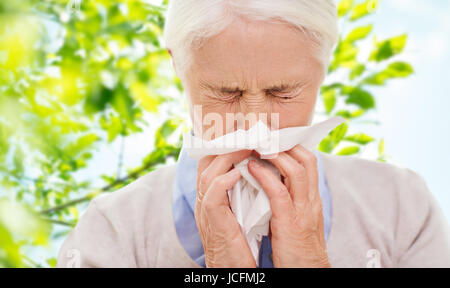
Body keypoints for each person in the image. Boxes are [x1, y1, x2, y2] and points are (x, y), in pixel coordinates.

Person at [56, 0, 450, 268]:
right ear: (178, 66)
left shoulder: (402, 208)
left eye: (283, 92)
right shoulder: (112, 232)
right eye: (227, 93)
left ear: (323, 69)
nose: (254, 125)